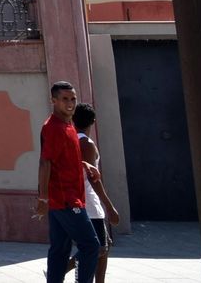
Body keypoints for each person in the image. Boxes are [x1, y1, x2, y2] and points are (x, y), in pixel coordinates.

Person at [37, 81, 101, 283]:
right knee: (91, 246)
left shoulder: (68, 125)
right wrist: (43, 198)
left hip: (64, 200)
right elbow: (45, 162)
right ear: (53, 101)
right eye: (64, 99)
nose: (70, 103)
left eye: (73, 99)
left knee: (60, 249)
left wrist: (84, 164)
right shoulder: (54, 127)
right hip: (66, 200)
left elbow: (61, 158)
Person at [72, 103, 120, 283]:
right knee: (98, 248)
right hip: (90, 203)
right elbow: (93, 178)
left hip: (80, 201)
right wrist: (110, 207)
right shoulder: (86, 143)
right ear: (93, 121)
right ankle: (61, 270)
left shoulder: (71, 140)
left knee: (102, 246)